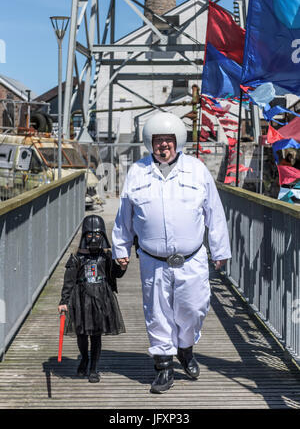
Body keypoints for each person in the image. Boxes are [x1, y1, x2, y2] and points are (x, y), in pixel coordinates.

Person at [112, 112, 231, 394]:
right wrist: (121, 248)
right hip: (153, 261)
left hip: (192, 258)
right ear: (149, 143)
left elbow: (214, 212)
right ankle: (164, 365)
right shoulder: (137, 172)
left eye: (168, 140)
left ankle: (185, 349)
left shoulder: (197, 169)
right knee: (157, 313)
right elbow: (124, 215)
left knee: (194, 307)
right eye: (158, 140)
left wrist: (220, 249)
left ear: (177, 141)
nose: (163, 145)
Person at [58, 214, 126, 383]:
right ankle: (84, 358)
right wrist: (64, 301)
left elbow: (115, 274)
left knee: (96, 335)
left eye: (97, 235)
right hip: (81, 300)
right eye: (90, 235)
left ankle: (94, 368)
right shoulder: (76, 259)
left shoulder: (106, 257)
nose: (94, 238)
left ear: (102, 235)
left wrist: (122, 266)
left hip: (101, 300)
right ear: (84, 236)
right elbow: (69, 281)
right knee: (81, 334)